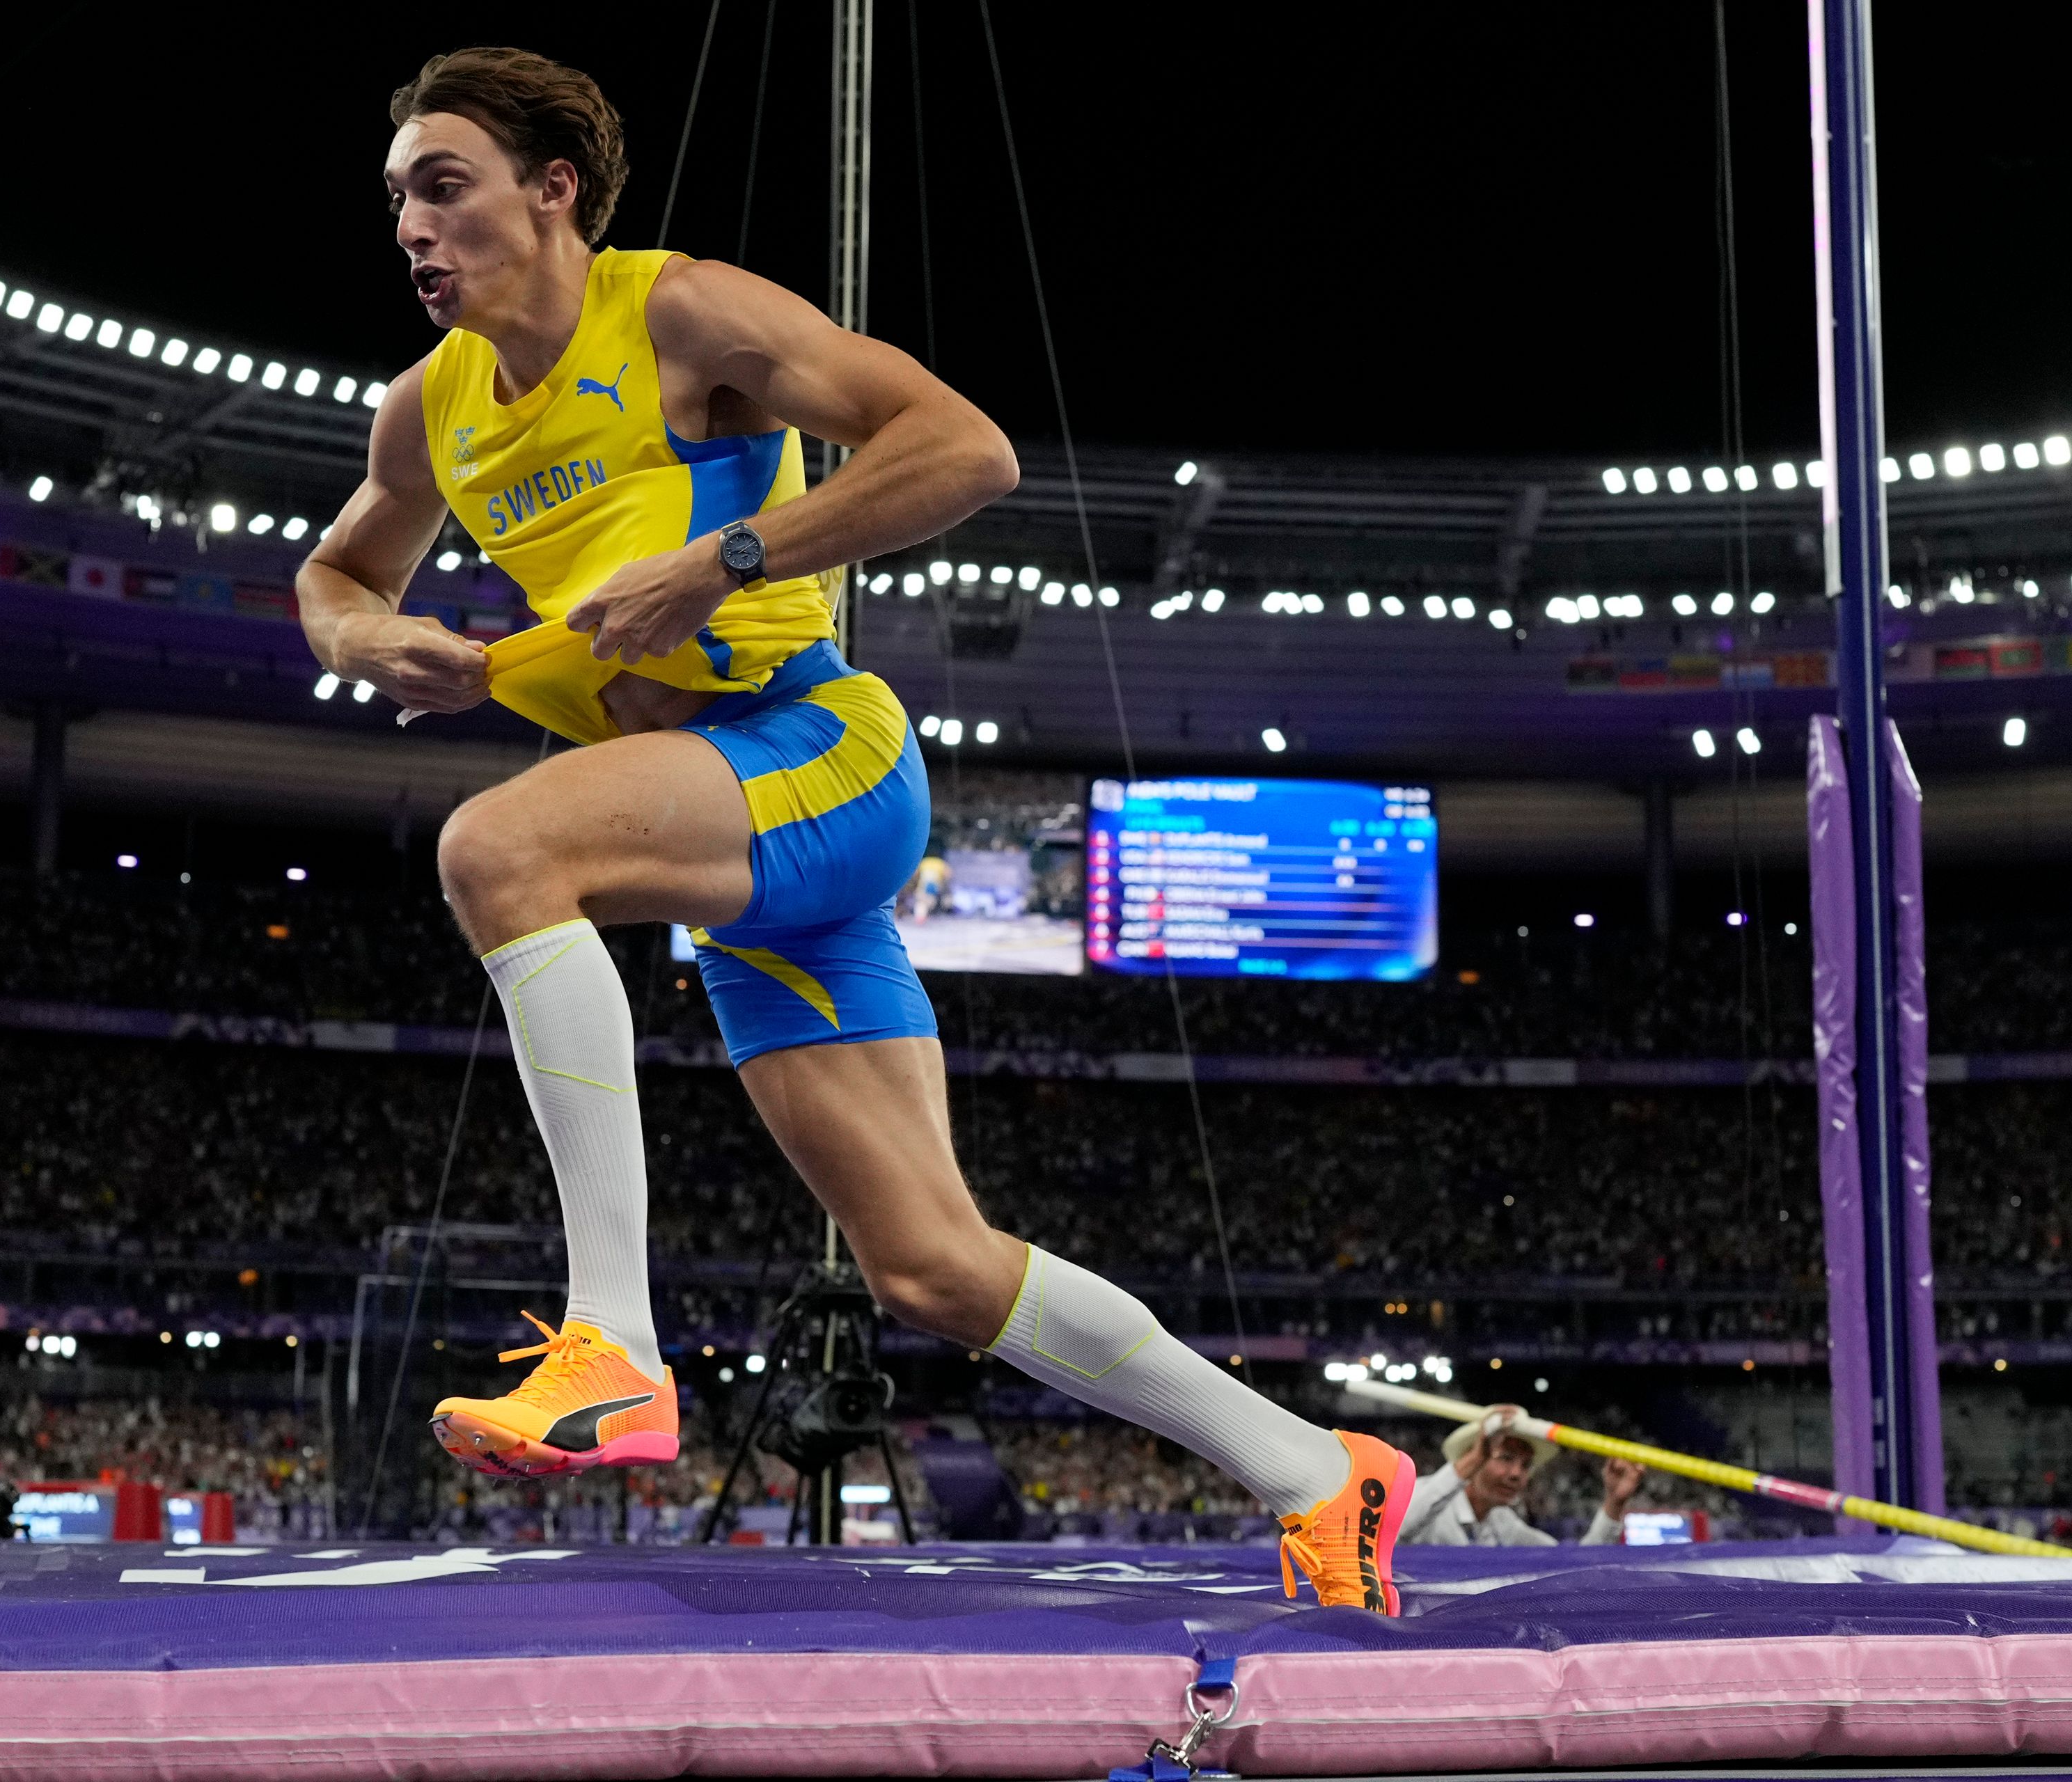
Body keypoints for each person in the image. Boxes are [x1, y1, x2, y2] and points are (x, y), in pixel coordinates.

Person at [294, 47, 1418, 1612]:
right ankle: (1320, 1467)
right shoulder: (427, 412)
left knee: (500, 848)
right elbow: (340, 572)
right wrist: (362, 641)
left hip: (814, 752)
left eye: (444, 184)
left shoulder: (682, 314)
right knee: (934, 1265)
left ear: (552, 192)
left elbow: (965, 450)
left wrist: (728, 555)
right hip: (731, 851)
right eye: (397, 197)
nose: (411, 224)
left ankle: (609, 1342)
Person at [1396, 1404, 1643, 1545]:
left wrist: (1614, 1502)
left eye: (1526, 1465)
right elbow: (1398, 1527)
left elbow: (1570, 1567)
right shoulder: (1425, 1495)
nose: (1517, 1474)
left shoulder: (1504, 1524)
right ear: (1474, 1459)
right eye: (1505, 1458)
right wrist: (1472, 1460)